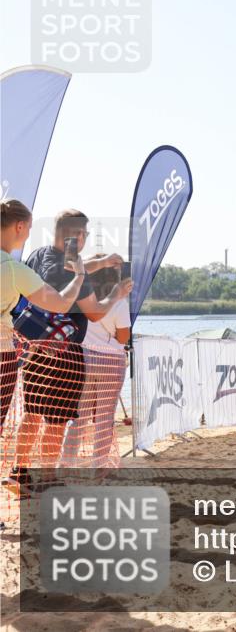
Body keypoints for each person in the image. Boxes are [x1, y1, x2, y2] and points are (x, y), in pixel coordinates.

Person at [13, 209, 131, 483]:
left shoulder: (40, 255)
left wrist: (99, 263)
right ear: (76, 236)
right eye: (85, 234)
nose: (86, 239)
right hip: (64, 353)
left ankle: (19, 472)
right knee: (56, 421)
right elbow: (95, 312)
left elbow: (66, 268)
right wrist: (116, 294)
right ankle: (48, 477)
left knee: (31, 414)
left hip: (35, 349)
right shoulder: (75, 275)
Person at [1, 199, 86, 429]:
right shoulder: (13, 268)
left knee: (31, 415)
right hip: (7, 354)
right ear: (19, 226)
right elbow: (60, 303)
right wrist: (79, 276)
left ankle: (19, 467)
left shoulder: (25, 263)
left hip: (21, 350)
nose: (28, 235)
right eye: (29, 228)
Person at [78, 263, 131, 468]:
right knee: (104, 416)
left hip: (84, 357)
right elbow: (123, 337)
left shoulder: (83, 298)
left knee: (78, 416)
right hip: (110, 359)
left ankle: (67, 461)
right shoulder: (119, 302)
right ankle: (98, 465)